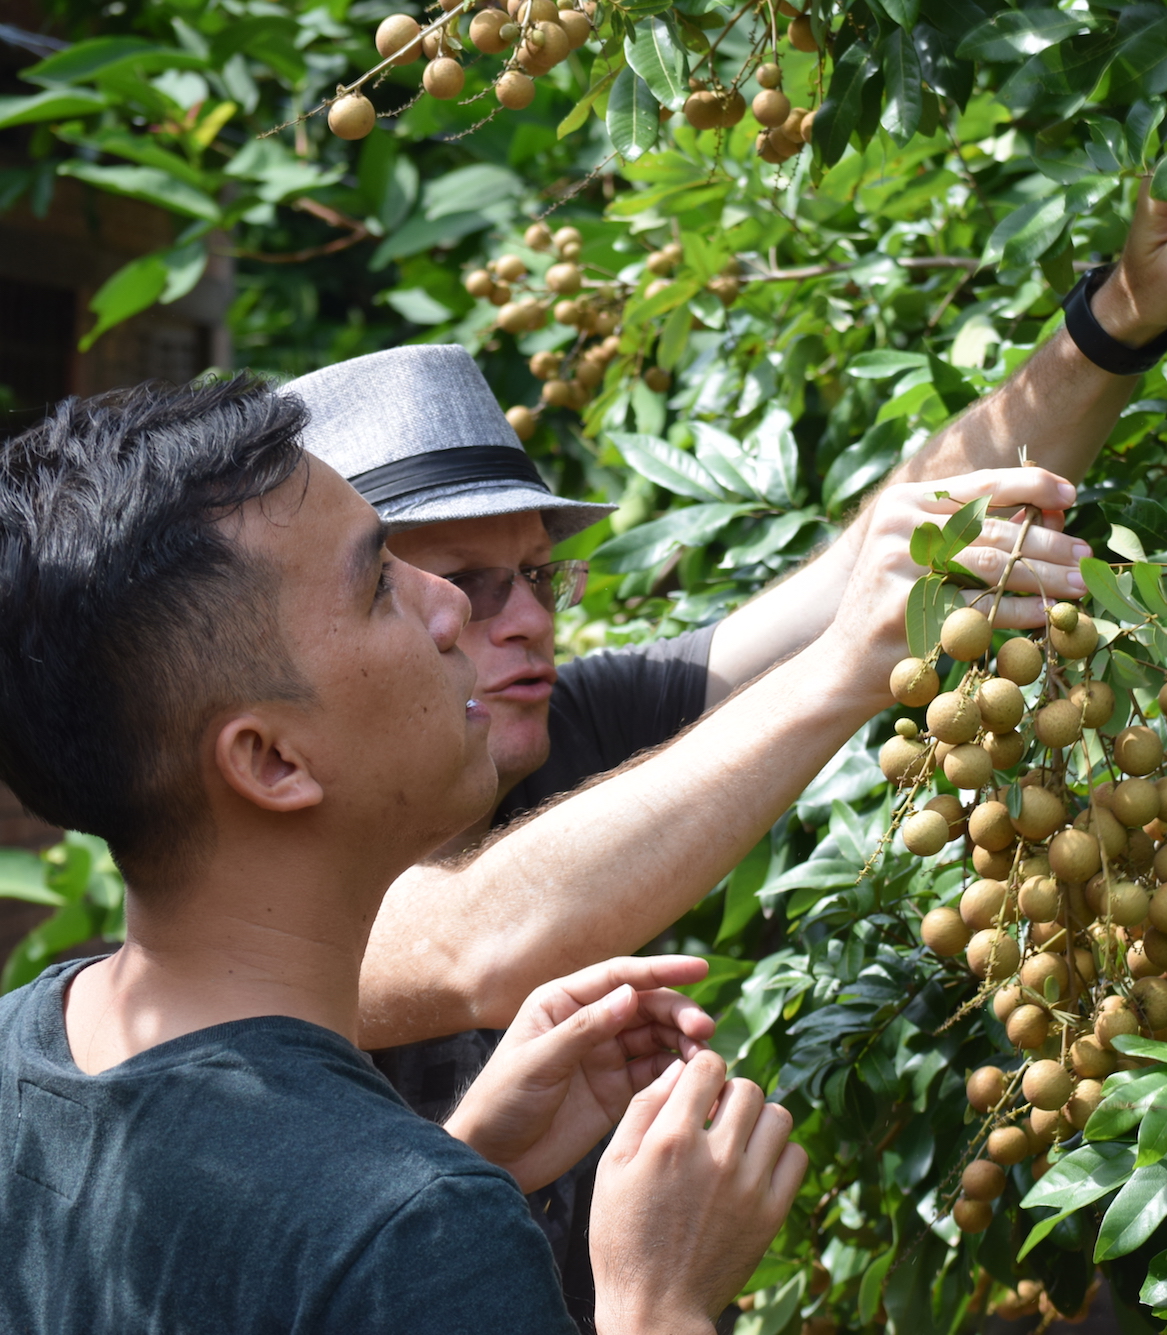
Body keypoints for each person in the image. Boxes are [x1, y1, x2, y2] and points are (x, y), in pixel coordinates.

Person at [295, 182, 1167, 1321]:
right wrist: (842, 672)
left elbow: (873, 560)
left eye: (535, 574)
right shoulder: (263, 887)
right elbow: (472, 940)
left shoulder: (573, 724)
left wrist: (1115, 318)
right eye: (468, 586)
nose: (525, 617)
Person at [0, 377, 804, 1333]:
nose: (450, 608)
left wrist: (467, 1158)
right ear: (273, 760)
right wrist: (657, 1301)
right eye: (382, 581)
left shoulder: (19, 1049)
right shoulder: (418, 1234)